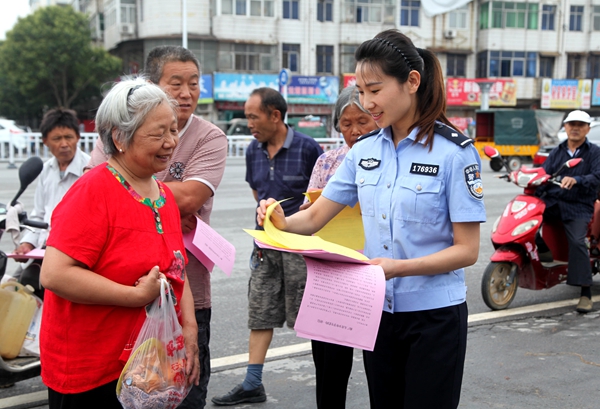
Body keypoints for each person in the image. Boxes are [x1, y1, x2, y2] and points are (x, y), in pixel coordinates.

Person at [256, 30, 486, 409]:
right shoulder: (363, 151)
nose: (366, 103)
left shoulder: (454, 153)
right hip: (378, 314)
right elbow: (313, 216)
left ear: (412, 82)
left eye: (374, 90)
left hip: (435, 319)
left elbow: (467, 251)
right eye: (360, 91)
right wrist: (279, 219)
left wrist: (399, 267)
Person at [39, 78, 199, 408]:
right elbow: (55, 275)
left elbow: (177, 269)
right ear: (119, 138)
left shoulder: (164, 195)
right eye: (158, 133)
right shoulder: (92, 191)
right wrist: (135, 296)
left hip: (147, 366)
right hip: (92, 371)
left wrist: (190, 328)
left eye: (173, 130)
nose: (171, 142)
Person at [86, 46, 227, 409]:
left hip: (187, 291)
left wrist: (129, 192)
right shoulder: (118, 129)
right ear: (151, 86)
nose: (186, 93)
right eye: (175, 83)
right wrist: (153, 201)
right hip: (120, 292)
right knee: (131, 393)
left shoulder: (210, 137)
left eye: (194, 83)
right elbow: (94, 188)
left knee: (184, 392)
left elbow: (191, 197)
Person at [211, 88, 323, 406]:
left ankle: (328, 383)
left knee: (313, 317)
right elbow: (256, 191)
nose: (248, 123)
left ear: (275, 115)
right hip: (264, 245)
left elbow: (320, 201)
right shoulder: (252, 150)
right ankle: (252, 383)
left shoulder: (308, 148)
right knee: (260, 313)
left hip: (302, 248)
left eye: (252, 116)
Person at [303, 85, 377, 409]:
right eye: (346, 124)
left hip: (377, 272)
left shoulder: (388, 160)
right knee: (330, 369)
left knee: (382, 370)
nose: (354, 131)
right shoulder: (327, 162)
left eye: (362, 121)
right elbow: (310, 214)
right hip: (333, 276)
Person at [11, 108, 90, 299]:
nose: (64, 144)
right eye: (57, 139)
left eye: (68, 137)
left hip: (71, 251)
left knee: (31, 281)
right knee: (11, 286)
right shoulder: (46, 170)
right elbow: (38, 214)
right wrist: (27, 243)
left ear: (78, 137)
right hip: (42, 248)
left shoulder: (89, 170)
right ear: (45, 141)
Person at [536, 109, 600, 313]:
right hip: (554, 201)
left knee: (578, 242)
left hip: (579, 204)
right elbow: (544, 173)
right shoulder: (557, 151)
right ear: (565, 127)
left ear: (587, 129)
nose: (575, 128)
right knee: (526, 219)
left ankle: (585, 292)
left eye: (580, 125)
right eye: (571, 124)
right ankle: (543, 249)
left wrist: (578, 180)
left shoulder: (595, 152)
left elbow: (597, 176)